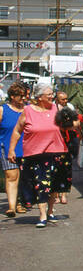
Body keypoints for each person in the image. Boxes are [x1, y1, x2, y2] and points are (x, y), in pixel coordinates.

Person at [7, 81, 70, 228]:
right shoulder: (28, 111)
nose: (52, 96)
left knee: (54, 186)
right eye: (49, 94)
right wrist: (11, 149)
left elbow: (70, 123)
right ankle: (42, 215)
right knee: (41, 185)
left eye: (52, 94)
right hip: (35, 154)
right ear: (40, 97)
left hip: (57, 152)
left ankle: (49, 211)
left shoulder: (56, 109)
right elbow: (17, 130)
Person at [1, 84, 26, 218]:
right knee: (12, 176)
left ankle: (20, 203)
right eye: (20, 96)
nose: (24, 98)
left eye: (25, 95)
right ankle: (12, 206)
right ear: (12, 96)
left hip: (26, 148)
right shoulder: (2, 110)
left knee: (24, 177)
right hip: (7, 147)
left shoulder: (27, 110)